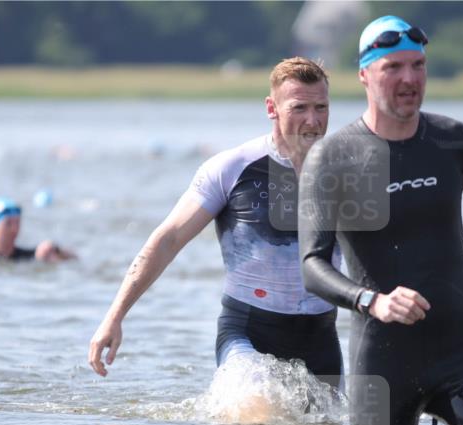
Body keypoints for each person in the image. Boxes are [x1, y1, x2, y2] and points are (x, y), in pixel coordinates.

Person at [299, 16, 463, 425]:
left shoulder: (458, 142)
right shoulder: (333, 158)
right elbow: (312, 265)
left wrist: (458, 285)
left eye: (418, 66)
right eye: (393, 68)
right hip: (382, 359)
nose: (409, 79)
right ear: (364, 75)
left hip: (461, 347)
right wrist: (372, 302)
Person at [88, 58, 341, 406]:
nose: (312, 121)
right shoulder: (232, 168)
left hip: (321, 341)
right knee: (257, 413)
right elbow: (168, 239)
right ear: (272, 108)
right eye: (299, 108)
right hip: (248, 335)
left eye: (321, 108)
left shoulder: (349, 174)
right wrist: (114, 316)